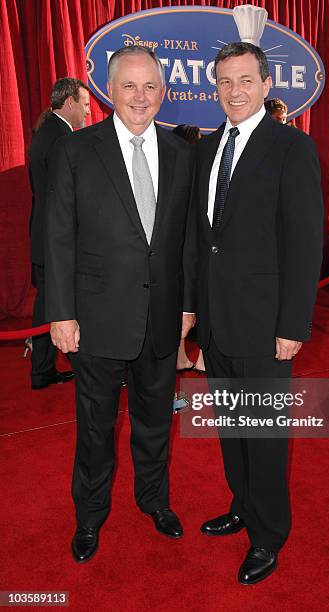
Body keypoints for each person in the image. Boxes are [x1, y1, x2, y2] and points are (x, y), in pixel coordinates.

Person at [44, 46, 196, 563]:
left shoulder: (181, 152)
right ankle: (89, 515)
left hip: (161, 318)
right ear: (110, 92)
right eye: (129, 86)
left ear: (163, 91)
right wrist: (61, 313)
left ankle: (154, 500)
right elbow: (58, 234)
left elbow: (188, 240)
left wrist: (189, 305)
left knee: (156, 421)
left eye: (150, 86)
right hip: (95, 319)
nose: (140, 96)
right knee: (95, 428)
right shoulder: (78, 149)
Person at [194, 42, 323, 584]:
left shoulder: (292, 148)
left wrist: (292, 325)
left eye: (245, 80)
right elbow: (204, 240)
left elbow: (304, 241)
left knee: (265, 433)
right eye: (224, 82)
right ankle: (243, 504)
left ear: (268, 84)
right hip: (218, 319)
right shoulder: (206, 147)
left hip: (267, 323)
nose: (234, 91)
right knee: (231, 426)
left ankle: (268, 536)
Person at [29, 77, 90, 390]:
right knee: (54, 305)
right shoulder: (61, 138)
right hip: (54, 239)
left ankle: (42, 368)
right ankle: (50, 369)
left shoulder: (47, 132)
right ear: (70, 103)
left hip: (42, 235)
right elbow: (63, 197)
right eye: (85, 105)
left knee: (46, 305)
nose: (88, 113)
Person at [172, 124, 206, 374]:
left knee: (178, 302)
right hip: (198, 244)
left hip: (176, 247)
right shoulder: (199, 167)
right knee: (205, 301)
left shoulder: (167, 165)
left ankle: (181, 357)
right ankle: (203, 357)